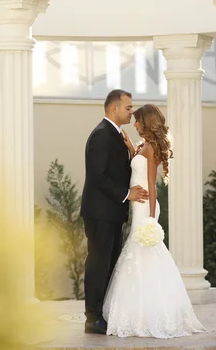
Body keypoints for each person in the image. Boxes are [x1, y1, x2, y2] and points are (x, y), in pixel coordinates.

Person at [102, 104, 206, 338]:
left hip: (145, 207)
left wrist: (151, 219)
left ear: (146, 122)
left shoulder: (150, 149)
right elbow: (135, 169)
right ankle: (140, 311)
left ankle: (150, 314)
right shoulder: (142, 147)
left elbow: (151, 185)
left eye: (138, 120)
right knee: (137, 255)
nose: (135, 123)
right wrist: (130, 148)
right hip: (137, 205)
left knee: (145, 253)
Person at [81, 89, 149, 335]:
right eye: (128, 108)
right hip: (100, 211)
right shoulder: (101, 135)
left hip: (112, 212)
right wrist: (126, 194)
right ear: (114, 108)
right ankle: (93, 318)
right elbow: (98, 176)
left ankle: (103, 312)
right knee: (98, 263)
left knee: (109, 263)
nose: (132, 112)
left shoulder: (117, 135)